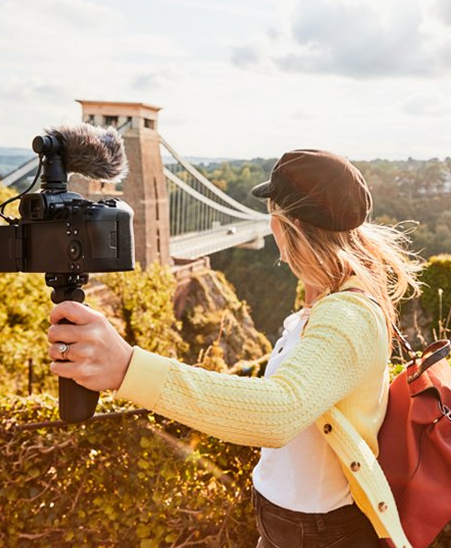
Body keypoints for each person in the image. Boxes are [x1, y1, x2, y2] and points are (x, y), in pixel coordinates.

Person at [46, 149, 420, 548]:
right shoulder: (328, 298)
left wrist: (127, 367)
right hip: (288, 529)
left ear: (284, 225)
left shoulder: (348, 315)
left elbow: (278, 413)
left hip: (322, 537)